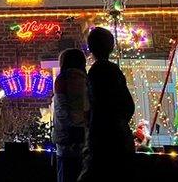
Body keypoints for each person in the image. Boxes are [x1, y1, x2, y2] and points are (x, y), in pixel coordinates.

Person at [78, 27, 134, 182]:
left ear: (91, 48)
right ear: (111, 47)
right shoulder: (113, 70)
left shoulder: (95, 72)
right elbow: (129, 105)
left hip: (102, 141)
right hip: (119, 139)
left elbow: (95, 105)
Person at [53, 48, 88, 182]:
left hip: (67, 140)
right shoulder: (86, 80)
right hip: (84, 138)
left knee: (66, 174)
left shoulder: (63, 80)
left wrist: (69, 132)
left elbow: (62, 110)